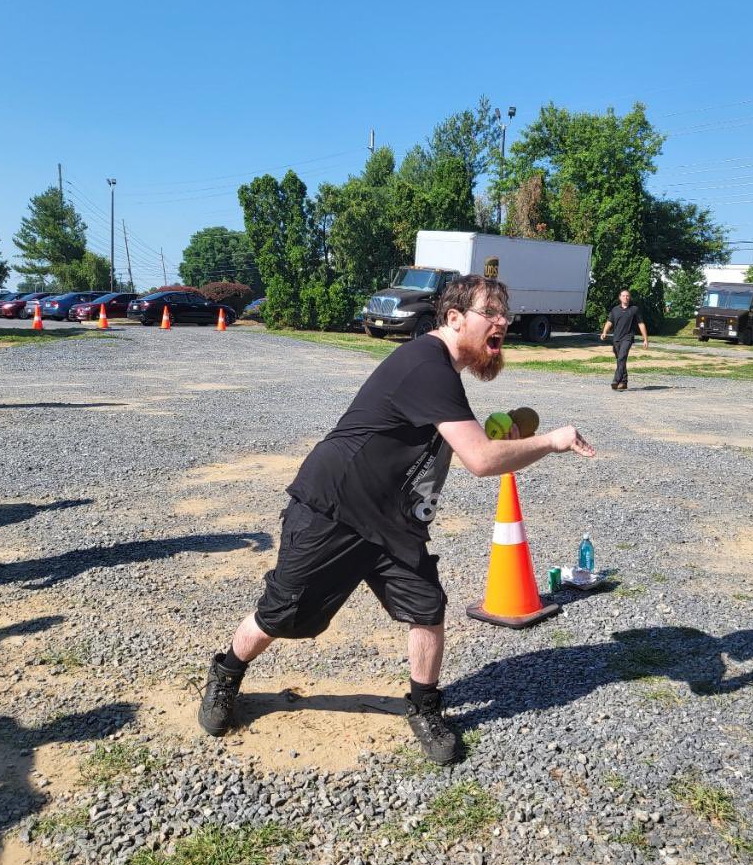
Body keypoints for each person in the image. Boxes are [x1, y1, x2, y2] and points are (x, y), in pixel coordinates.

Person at [199, 275, 595, 764]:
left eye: (505, 313)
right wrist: (550, 441)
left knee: (427, 607)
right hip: (336, 508)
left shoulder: (440, 372)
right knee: (286, 616)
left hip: (393, 520)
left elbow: (466, 446)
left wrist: (507, 441)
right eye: (491, 312)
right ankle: (226, 673)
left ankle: (425, 706)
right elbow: (482, 459)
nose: (503, 322)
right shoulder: (427, 366)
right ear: (454, 319)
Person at [600, 289, 649, 390]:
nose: (625, 297)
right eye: (623, 296)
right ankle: (624, 382)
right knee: (620, 360)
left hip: (628, 337)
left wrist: (645, 339)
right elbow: (609, 322)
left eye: (627, 296)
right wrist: (605, 332)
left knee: (622, 357)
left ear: (629, 298)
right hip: (616, 338)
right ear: (620, 297)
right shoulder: (615, 310)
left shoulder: (634, 309)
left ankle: (616, 380)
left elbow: (641, 324)